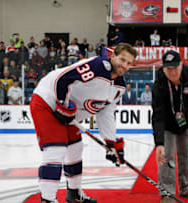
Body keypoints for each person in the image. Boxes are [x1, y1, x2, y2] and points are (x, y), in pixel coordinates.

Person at [30, 43, 137, 202]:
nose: (124, 65)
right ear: (112, 56)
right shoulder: (98, 66)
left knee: (75, 148)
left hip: (67, 113)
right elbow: (63, 79)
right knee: (55, 150)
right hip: (48, 101)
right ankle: (47, 199)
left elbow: (106, 113)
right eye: (122, 59)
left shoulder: (119, 87)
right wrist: (62, 105)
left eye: (129, 63)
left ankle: (74, 194)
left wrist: (111, 143)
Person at [152, 50, 188, 203]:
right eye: (168, 68)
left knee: (185, 156)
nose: (172, 72)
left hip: (185, 122)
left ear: (182, 65)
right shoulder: (160, 84)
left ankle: (186, 188)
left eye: (175, 67)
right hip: (168, 125)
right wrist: (159, 143)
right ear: (163, 68)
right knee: (167, 156)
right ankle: (167, 193)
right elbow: (157, 115)